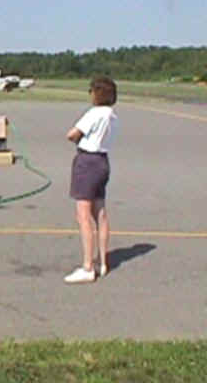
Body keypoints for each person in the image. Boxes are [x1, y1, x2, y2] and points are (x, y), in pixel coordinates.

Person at [64, 76, 118, 284]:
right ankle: (102, 261)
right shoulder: (113, 116)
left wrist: (77, 137)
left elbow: (72, 134)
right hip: (103, 161)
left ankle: (88, 266)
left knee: (83, 215)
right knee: (100, 213)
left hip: (88, 161)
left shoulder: (94, 113)